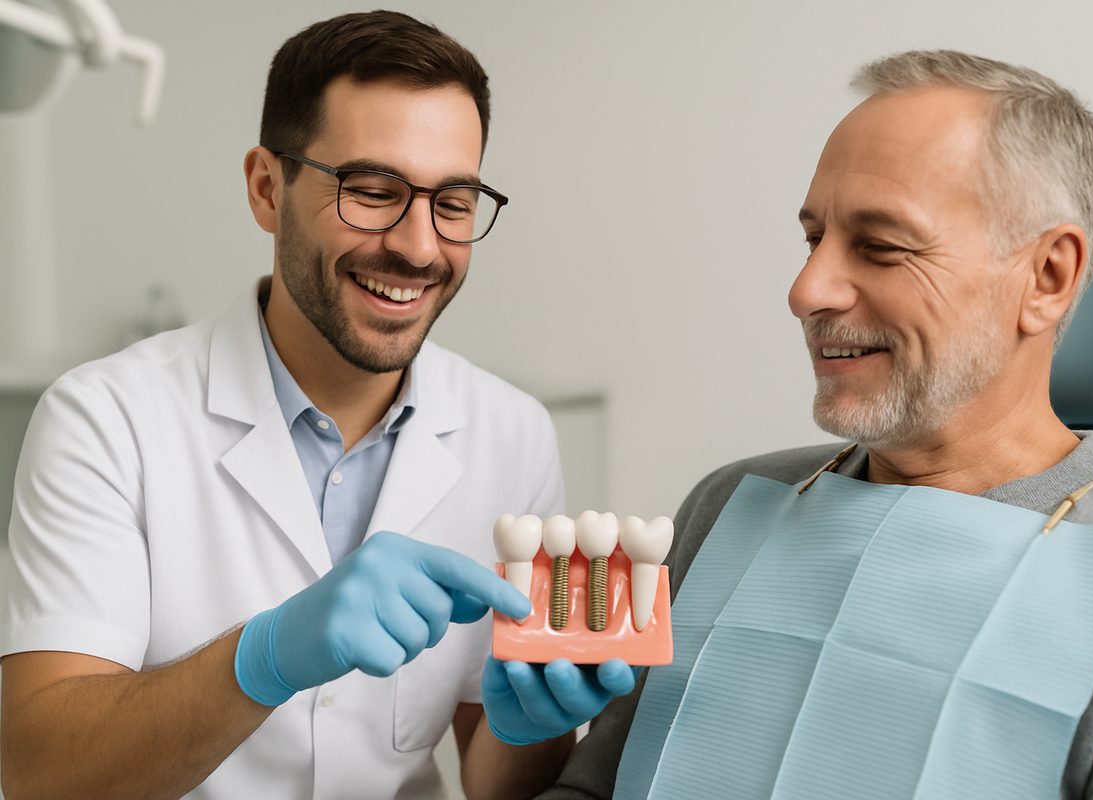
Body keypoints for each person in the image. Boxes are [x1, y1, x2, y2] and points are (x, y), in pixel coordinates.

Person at [0, 11, 631, 800]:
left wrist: (528, 728)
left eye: (455, 203)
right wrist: (260, 659)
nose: (419, 246)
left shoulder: (514, 435)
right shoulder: (103, 420)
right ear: (268, 189)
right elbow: (38, 772)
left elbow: (498, 785)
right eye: (372, 191)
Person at [537, 51, 1093, 799]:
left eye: (881, 246)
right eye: (812, 238)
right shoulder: (727, 504)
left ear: (1046, 277)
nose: (807, 290)